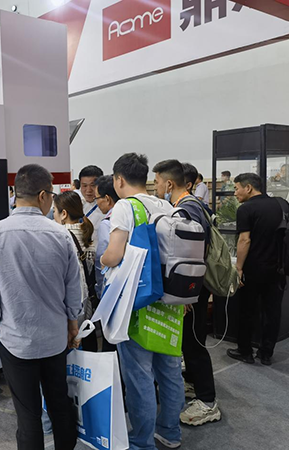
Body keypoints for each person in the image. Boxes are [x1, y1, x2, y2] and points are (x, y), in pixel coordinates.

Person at [0, 164, 81, 450]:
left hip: (15, 340)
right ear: (43, 196)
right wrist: (72, 325)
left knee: (28, 415)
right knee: (59, 404)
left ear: (16, 193)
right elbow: (74, 289)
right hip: (55, 339)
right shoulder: (61, 235)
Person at [101, 153, 184, 450]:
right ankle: (170, 432)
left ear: (118, 179)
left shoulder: (125, 207)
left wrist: (101, 259)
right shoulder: (166, 205)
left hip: (138, 303)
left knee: (139, 377)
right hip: (170, 302)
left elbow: (114, 254)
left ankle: (141, 442)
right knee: (170, 372)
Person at [153, 160, 221, 427]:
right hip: (196, 287)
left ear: (169, 183)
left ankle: (208, 403)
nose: (156, 186)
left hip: (192, 290)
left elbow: (190, 255)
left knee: (194, 346)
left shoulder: (186, 210)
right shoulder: (195, 204)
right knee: (191, 342)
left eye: (157, 181)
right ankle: (194, 385)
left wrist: (185, 297)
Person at [227, 173, 289, 367]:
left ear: (248, 188)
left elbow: (244, 240)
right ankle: (266, 353)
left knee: (247, 310)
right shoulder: (281, 205)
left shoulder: (245, 209)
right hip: (278, 267)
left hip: (254, 268)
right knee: (272, 311)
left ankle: (245, 351)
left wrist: (239, 268)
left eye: (237, 188)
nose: (235, 193)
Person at [53, 191, 97, 351]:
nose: (53, 215)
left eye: (54, 210)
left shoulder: (60, 236)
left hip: (70, 306)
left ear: (63, 214)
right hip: (87, 305)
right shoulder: (88, 233)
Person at [94, 174, 119, 297]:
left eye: (97, 198)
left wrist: (100, 290)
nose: (97, 203)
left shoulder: (107, 223)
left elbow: (101, 258)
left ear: (107, 199)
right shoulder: (128, 214)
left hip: (112, 285)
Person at [78, 165, 106, 241]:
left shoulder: (106, 207)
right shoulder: (76, 205)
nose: (88, 190)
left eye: (92, 185)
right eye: (84, 186)